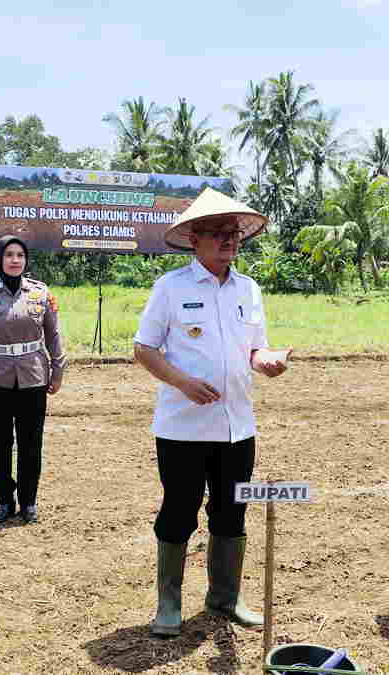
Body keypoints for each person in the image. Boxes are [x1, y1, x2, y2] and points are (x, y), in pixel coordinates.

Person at [133, 187, 290, 637]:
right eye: (219, 234)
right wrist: (182, 382)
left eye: (234, 233)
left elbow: (254, 348)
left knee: (232, 511)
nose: (229, 240)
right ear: (195, 239)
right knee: (179, 510)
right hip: (183, 427)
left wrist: (268, 361)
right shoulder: (171, 287)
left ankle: (224, 597)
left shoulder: (249, 288)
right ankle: (169, 602)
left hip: (238, 427)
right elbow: (144, 349)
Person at [0, 235, 65, 524]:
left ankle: (28, 502)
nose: (15, 260)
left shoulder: (41, 294)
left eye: (20, 255)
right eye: (9, 255)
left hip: (33, 378)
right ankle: (5, 501)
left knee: (32, 443)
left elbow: (54, 336)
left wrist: (58, 372)